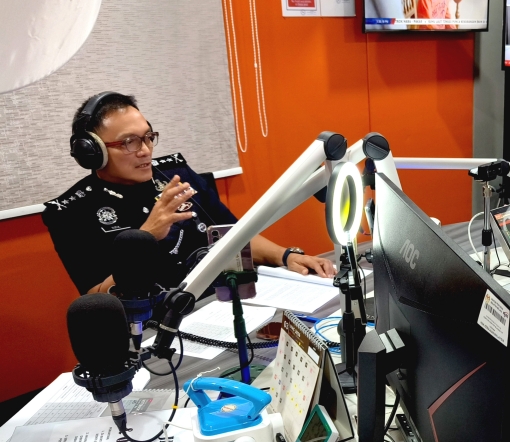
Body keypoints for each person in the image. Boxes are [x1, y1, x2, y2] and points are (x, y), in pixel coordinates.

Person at [43, 93, 335, 295]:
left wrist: (285, 256)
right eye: (129, 142)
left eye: (148, 137)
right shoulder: (71, 212)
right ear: (92, 152)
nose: (145, 150)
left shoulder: (174, 174)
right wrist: (146, 237)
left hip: (219, 300)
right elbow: (98, 298)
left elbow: (233, 233)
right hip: (156, 325)